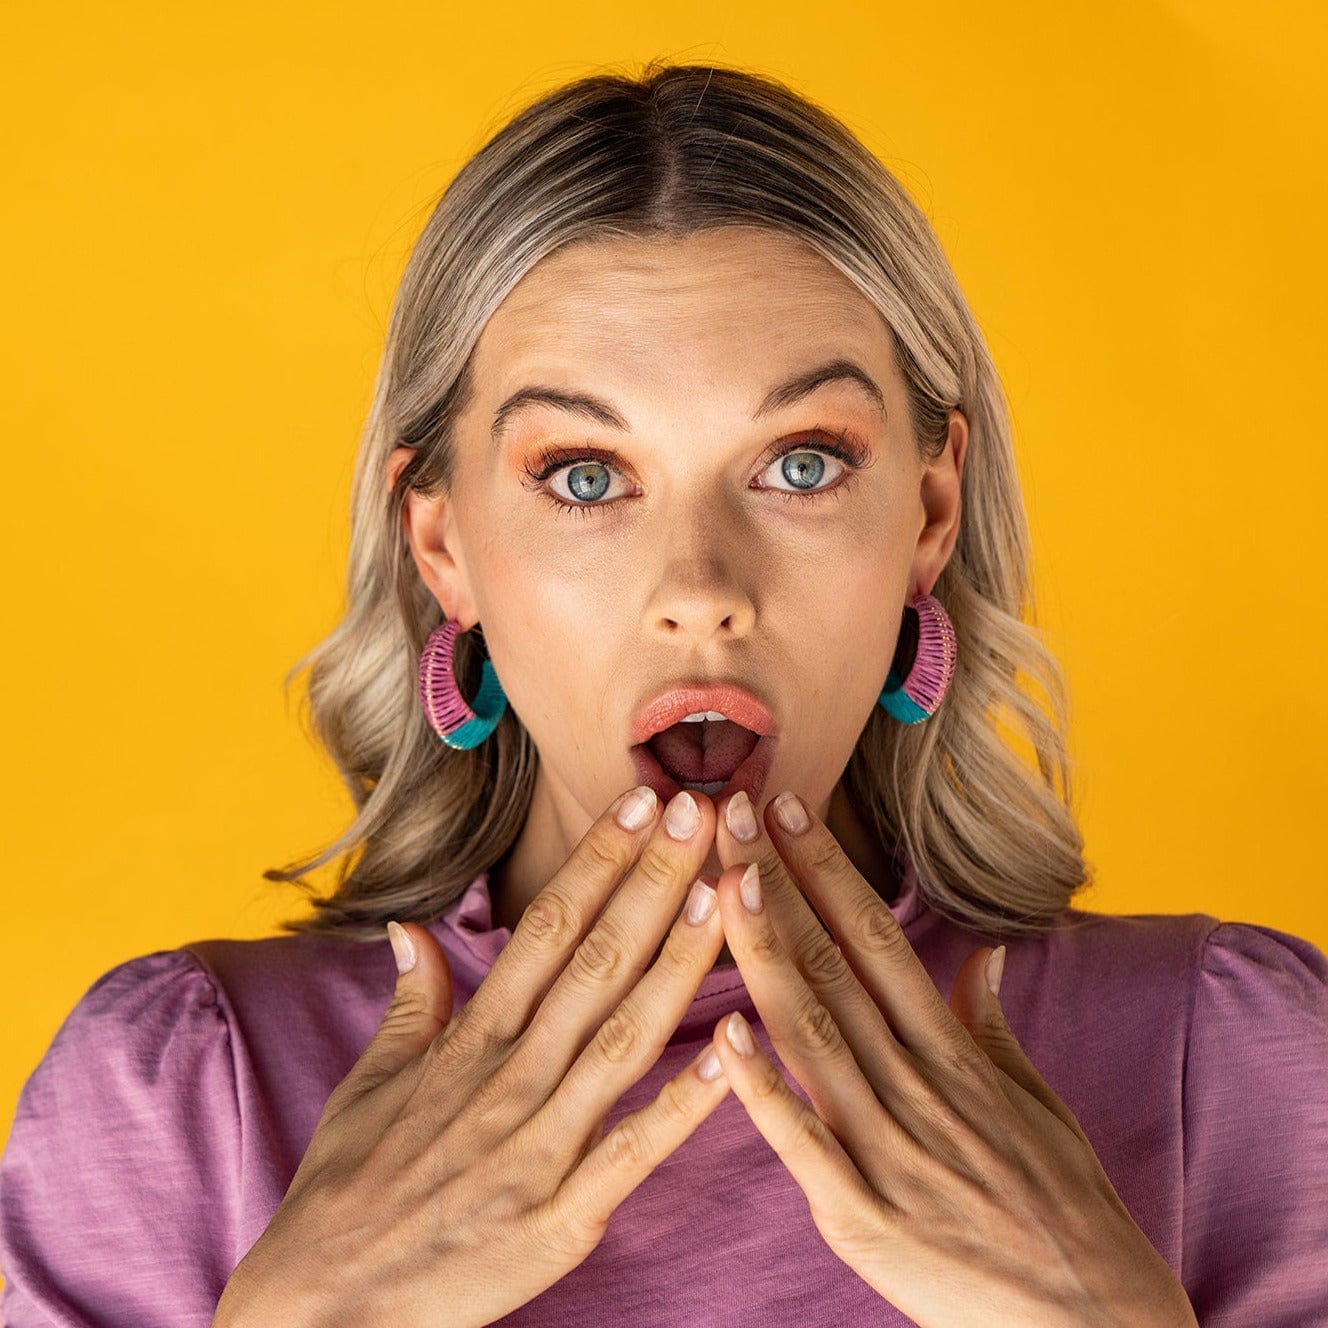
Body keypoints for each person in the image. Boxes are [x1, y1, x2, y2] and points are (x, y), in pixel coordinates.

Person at [1, 60, 1324, 1328]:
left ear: (928, 514)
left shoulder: (1230, 1060)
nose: (701, 586)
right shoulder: (188, 1095)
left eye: (800, 463)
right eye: (583, 475)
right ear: (443, 543)